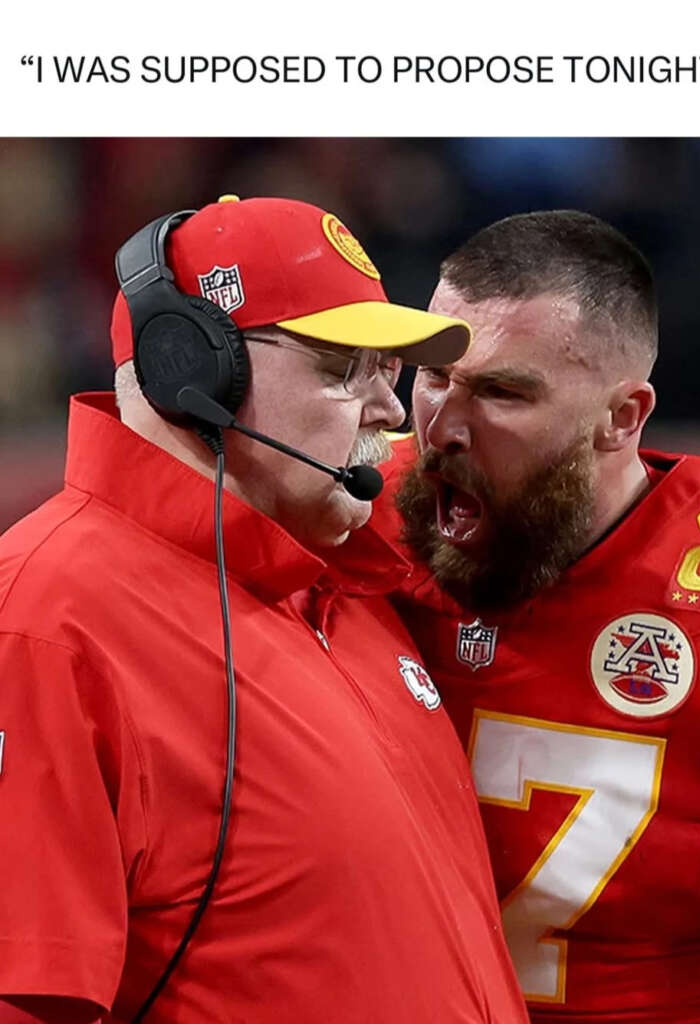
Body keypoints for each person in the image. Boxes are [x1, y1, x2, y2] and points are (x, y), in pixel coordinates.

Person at [0, 196, 529, 1024]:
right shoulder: (45, 622)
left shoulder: (339, 582)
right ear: (194, 372)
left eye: (386, 372)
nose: (391, 413)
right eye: (343, 368)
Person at [376, 210, 700, 1023]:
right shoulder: (353, 523)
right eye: (434, 375)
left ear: (622, 417)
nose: (442, 426)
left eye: (503, 392)